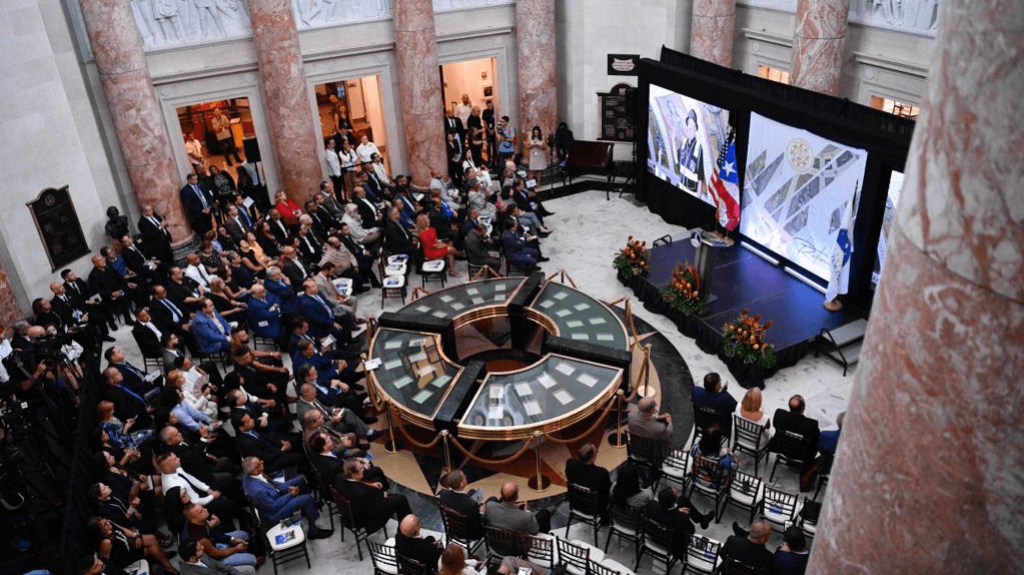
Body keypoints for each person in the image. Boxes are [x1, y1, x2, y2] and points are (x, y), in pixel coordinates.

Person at [240, 456, 334, 539]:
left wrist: (288, 488)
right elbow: (274, 506)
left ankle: (307, 510)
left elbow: (270, 483)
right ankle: (313, 531)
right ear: (255, 471)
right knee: (307, 499)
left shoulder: (251, 474)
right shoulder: (258, 491)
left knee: (300, 480)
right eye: (259, 463)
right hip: (275, 513)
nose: (262, 461)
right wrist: (291, 495)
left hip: (274, 493)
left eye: (260, 460)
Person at [335, 457, 412, 534]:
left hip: (350, 512)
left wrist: (371, 484)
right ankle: (407, 530)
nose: (364, 470)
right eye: (361, 470)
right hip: (367, 519)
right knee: (401, 499)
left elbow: (357, 484)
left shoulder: (339, 478)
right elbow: (374, 510)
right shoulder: (363, 492)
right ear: (354, 473)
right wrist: (383, 497)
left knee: (378, 479)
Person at [769, 395, 821, 470]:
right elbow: (816, 440)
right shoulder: (811, 425)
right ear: (803, 408)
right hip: (801, 454)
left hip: (781, 448)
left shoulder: (779, 415)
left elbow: (775, 425)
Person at [484, 480, 551, 535]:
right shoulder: (527, 516)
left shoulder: (489, 505)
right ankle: (545, 534)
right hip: (517, 548)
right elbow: (534, 531)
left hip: (495, 544)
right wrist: (526, 512)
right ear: (516, 496)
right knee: (544, 513)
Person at [565, 442, 611, 516]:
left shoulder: (570, 464)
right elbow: (605, 494)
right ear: (593, 457)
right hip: (593, 509)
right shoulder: (601, 473)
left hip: (575, 503)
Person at [437, 470, 484, 539]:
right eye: (464, 477)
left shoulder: (443, 494)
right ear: (461, 484)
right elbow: (476, 525)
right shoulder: (472, 505)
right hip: (468, 534)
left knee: (472, 491)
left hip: (452, 528)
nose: (466, 476)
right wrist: (481, 512)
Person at [690, 424, 737, 489]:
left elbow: (691, 454)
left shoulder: (695, 449)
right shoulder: (723, 458)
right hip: (715, 484)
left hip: (697, 479)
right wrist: (732, 455)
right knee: (729, 468)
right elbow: (734, 467)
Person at [416, 213, 463, 278]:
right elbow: (432, 246)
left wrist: (441, 244)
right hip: (431, 252)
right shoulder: (422, 234)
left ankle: (452, 270)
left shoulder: (431, 229)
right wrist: (444, 246)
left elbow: (436, 240)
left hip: (436, 247)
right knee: (450, 249)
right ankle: (459, 254)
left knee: (450, 254)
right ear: (424, 221)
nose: (429, 219)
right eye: (427, 219)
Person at [693, 372, 738, 436]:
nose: (721, 383)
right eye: (719, 381)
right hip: (720, 428)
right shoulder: (725, 398)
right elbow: (735, 407)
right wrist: (723, 392)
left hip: (702, 423)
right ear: (716, 386)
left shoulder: (696, 392)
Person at [179, 538, 253, 575]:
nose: (203, 547)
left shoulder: (201, 555)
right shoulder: (189, 573)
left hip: (221, 572)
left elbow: (218, 565)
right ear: (192, 558)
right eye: (199, 549)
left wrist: (235, 573)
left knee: (249, 569)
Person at [676, 109, 705, 196]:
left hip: (692, 192)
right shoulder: (683, 143)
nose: (690, 127)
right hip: (681, 186)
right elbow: (678, 161)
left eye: (692, 124)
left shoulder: (699, 148)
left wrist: (698, 196)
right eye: (688, 124)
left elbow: (700, 175)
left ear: (696, 128)